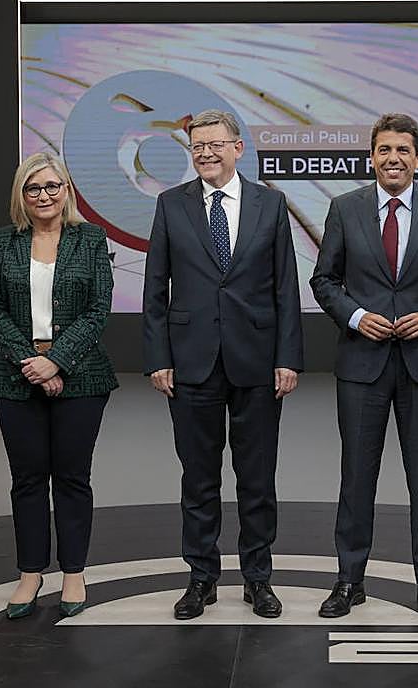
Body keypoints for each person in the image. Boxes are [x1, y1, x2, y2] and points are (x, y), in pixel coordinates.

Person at [310, 112, 418, 621]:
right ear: (372, 158)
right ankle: (349, 581)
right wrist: (357, 317)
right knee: (356, 477)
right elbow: (324, 281)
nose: (393, 158)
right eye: (384, 150)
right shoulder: (345, 208)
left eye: (403, 150)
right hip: (361, 364)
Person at [142, 108, 303, 620]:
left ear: (238, 148)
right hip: (191, 363)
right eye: (197, 146)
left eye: (215, 144)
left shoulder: (270, 204)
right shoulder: (171, 205)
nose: (205, 153)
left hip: (257, 362)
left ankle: (258, 579)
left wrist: (288, 358)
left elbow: (286, 288)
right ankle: (201, 579)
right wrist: (158, 357)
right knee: (198, 479)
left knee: (257, 479)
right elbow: (154, 288)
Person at [0, 152, 118, 619]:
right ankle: (30, 573)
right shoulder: (3, 241)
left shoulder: (91, 238)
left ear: (66, 191)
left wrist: (56, 361)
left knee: (73, 477)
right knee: (27, 478)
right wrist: (33, 364)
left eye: (52, 186)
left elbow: (98, 308)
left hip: (82, 376)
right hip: (16, 376)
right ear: (21, 195)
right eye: (33, 188)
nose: (43, 195)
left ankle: (74, 572)